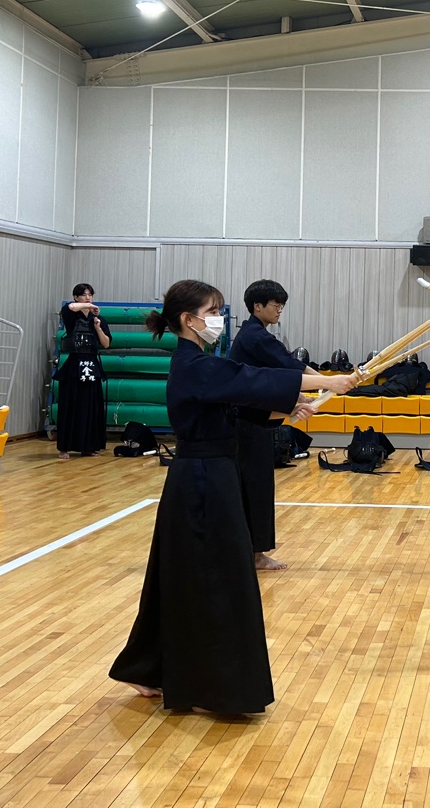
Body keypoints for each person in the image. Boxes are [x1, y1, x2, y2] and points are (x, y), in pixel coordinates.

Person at [109, 279, 358, 715]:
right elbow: (250, 378)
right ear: (188, 320)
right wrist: (328, 380)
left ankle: (148, 667)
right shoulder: (194, 365)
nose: (218, 320)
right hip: (201, 482)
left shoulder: (201, 364)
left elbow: (235, 406)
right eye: (212, 312)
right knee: (215, 578)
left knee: (188, 575)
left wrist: (289, 409)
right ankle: (209, 687)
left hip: (210, 475)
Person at [228, 279, 311, 571]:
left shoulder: (254, 335)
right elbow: (290, 366)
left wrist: (301, 395)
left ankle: (252, 553)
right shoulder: (255, 336)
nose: (279, 310)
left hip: (252, 422)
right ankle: (255, 555)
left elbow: (275, 373)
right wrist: (334, 381)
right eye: (276, 304)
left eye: (281, 305)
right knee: (256, 489)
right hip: (246, 426)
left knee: (254, 488)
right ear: (257, 306)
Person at [55, 283, 111, 459]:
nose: (88, 298)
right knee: (70, 406)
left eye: (90, 295)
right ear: (76, 297)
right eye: (84, 295)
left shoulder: (98, 319)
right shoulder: (70, 314)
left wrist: (98, 328)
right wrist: (89, 306)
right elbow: (71, 307)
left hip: (92, 366)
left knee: (90, 408)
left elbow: (106, 344)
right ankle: (65, 447)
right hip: (74, 366)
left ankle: (88, 446)